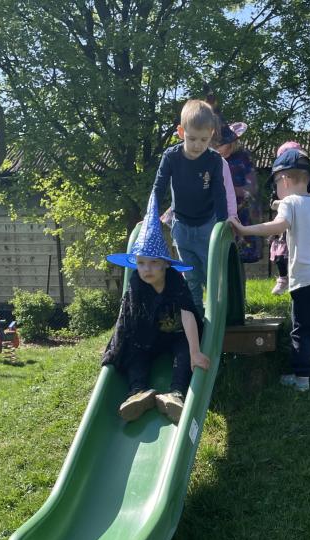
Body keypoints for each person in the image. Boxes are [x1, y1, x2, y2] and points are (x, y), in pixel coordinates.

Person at [230, 148, 310, 393]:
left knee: (302, 329)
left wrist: (245, 230)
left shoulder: (290, 203)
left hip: (306, 279)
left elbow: (278, 226)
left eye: (275, 184)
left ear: (284, 180)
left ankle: (301, 378)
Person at [104, 191, 210, 425]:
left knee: (184, 351)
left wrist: (195, 351)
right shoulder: (136, 282)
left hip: (175, 334)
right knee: (134, 352)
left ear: (165, 264)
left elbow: (188, 313)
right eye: (141, 263)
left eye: (153, 262)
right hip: (147, 336)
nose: (146, 269)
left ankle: (175, 394)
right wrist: (116, 349)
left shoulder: (174, 280)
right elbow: (128, 318)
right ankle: (138, 393)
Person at [153, 99, 228, 316]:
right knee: (191, 276)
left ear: (211, 134)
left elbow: (219, 191)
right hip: (181, 226)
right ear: (181, 132)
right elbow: (159, 187)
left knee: (210, 274)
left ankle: (216, 316)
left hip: (207, 225)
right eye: (192, 138)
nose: (197, 145)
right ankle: (196, 318)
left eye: (204, 139)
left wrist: (223, 223)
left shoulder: (213, 160)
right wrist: (151, 215)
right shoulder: (171, 157)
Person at [269, 141, 310, 294]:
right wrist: (286, 203)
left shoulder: (306, 182)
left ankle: (304, 279)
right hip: (285, 221)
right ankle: (283, 279)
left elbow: (307, 198)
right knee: (281, 254)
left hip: (302, 224)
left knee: (300, 252)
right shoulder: (278, 185)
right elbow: (273, 204)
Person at [214, 119, 263, 265]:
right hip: (219, 207)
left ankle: (244, 256)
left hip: (242, 207)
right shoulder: (213, 159)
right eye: (214, 146)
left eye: (220, 145)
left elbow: (252, 186)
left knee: (240, 248)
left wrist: (233, 190)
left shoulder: (243, 157)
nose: (217, 149)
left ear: (231, 143)